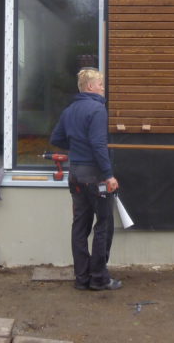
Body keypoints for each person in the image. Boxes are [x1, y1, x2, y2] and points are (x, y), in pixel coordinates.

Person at [49, 68, 121, 291]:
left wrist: (77, 146)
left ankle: (82, 278)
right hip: (95, 176)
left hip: (76, 175)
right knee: (104, 224)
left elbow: (56, 138)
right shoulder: (97, 109)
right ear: (90, 86)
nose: (103, 88)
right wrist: (108, 175)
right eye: (100, 84)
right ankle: (99, 278)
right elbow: (99, 145)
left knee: (80, 226)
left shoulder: (70, 110)